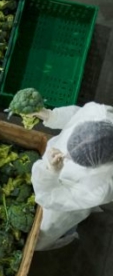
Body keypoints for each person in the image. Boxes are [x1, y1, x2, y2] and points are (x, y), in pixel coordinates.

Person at [30, 102, 113, 250]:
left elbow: (52, 198)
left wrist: (50, 173)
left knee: (46, 229)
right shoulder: (99, 114)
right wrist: (51, 115)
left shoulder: (100, 187)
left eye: (74, 159)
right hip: (49, 174)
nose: (66, 156)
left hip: (62, 205)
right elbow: (76, 114)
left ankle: (64, 234)